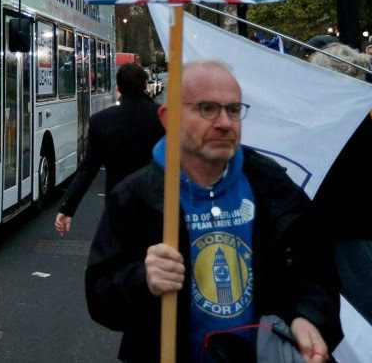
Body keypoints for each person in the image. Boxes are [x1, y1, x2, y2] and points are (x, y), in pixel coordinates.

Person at [85, 59, 339, 362]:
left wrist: (306, 316)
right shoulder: (137, 196)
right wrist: (143, 279)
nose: (225, 122)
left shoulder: (270, 183)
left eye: (233, 109)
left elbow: (316, 267)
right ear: (168, 118)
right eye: (207, 108)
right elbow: (101, 298)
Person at [310, 44, 372, 362]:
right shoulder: (352, 113)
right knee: (367, 307)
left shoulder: (343, 116)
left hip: (346, 228)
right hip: (352, 225)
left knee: (370, 309)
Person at [55, 63, 163, 236]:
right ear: (144, 86)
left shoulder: (101, 121)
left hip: (118, 205)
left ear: (118, 88)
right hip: (155, 206)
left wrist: (68, 208)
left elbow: (88, 170)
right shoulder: (161, 117)